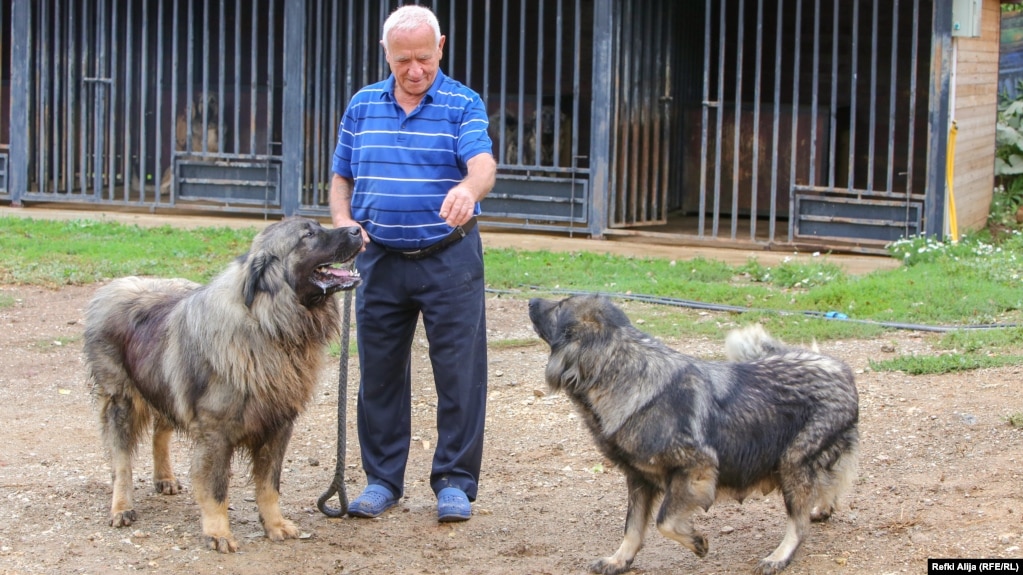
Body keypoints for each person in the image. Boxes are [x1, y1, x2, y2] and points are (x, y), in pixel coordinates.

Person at [328, 4, 496, 523]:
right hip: (378, 260)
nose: (415, 69)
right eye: (403, 60)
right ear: (387, 54)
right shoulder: (361, 106)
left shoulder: (462, 103)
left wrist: (468, 189)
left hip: (450, 260)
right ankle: (382, 480)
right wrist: (343, 224)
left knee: (459, 374)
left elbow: (483, 164)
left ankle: (454, 483)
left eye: (424, 57)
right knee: (377, 374)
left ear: (440, 47)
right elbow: (341, 178)